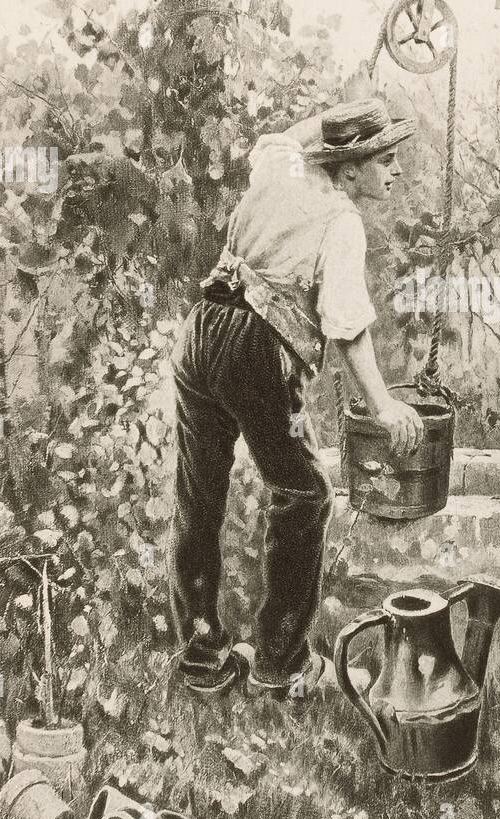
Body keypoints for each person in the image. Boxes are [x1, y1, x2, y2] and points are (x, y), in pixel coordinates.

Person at [167, 88, 425, 699]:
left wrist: (337, 129)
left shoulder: (282, 165)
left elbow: (285, 137)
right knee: (305, 493)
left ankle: (202, 656)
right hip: (253, 348)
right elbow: (346, 325)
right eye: (384, 159)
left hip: (200, 329)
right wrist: (384, 406)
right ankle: (279, 663)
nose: (394, 171)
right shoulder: (342, 220)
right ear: (351, 166)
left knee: (198, 492)